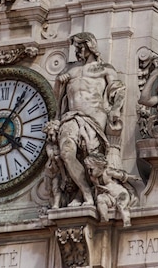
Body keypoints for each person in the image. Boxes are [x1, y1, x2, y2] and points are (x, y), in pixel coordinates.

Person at [55, 32, 125, 206]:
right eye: (77, 46)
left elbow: (118, 90)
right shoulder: (70, 69)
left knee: (90, 159)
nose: (79, 50)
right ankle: (86, 191)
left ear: (91, 45)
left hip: (95, 116)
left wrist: (116, 108)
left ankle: (82, 196)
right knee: (66, 153)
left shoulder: (104, 69)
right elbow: (57, 98)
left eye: (82, 45)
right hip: (71, 117)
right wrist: (59, 83)